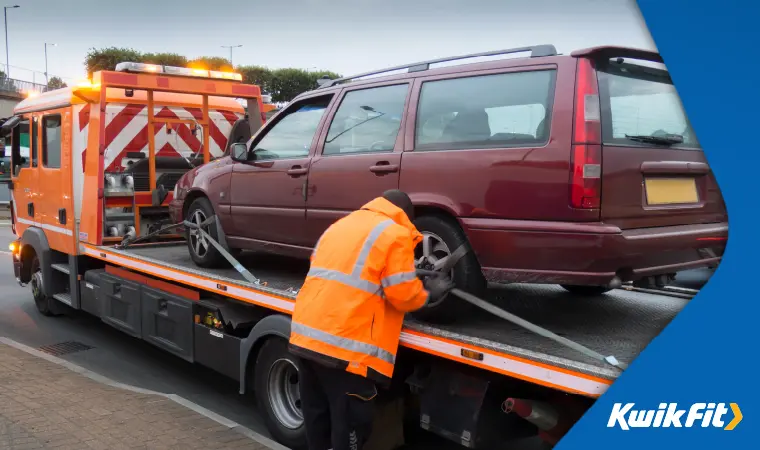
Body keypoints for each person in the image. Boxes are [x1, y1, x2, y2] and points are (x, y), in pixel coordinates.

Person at [289, 189, 454, 450]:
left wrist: (403, 272)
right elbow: (401, 296)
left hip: (306, 341)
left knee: (318, 424)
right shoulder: (395, 233)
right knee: (349, 429)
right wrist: (426, 292)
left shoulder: (339, 226)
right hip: (346, 353)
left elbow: (348, 274)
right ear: (405, 215)